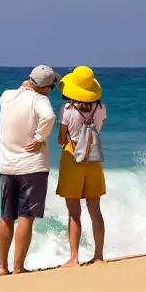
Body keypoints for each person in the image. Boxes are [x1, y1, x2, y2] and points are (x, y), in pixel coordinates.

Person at [0, 65, 57, 275]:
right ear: (46, 88)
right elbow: (49, 117)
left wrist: (29, 87)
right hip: (32, 166)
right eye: (52, 87)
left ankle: (2, 267)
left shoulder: (6, 95)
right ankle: (18, 267)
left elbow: (20, 95)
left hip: (6, 166)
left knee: (6, 217)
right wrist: (39, 138)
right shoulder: (40, 100)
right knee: (25, 217)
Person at [55, 66, 107, 266]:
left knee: (74, 211)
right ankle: (99, 255)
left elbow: (61, 139)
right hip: (93, 158)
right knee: (95, 209)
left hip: (72, 157)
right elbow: (98, 129)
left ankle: (74, 257)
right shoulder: (101, 108)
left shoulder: (67, 110)